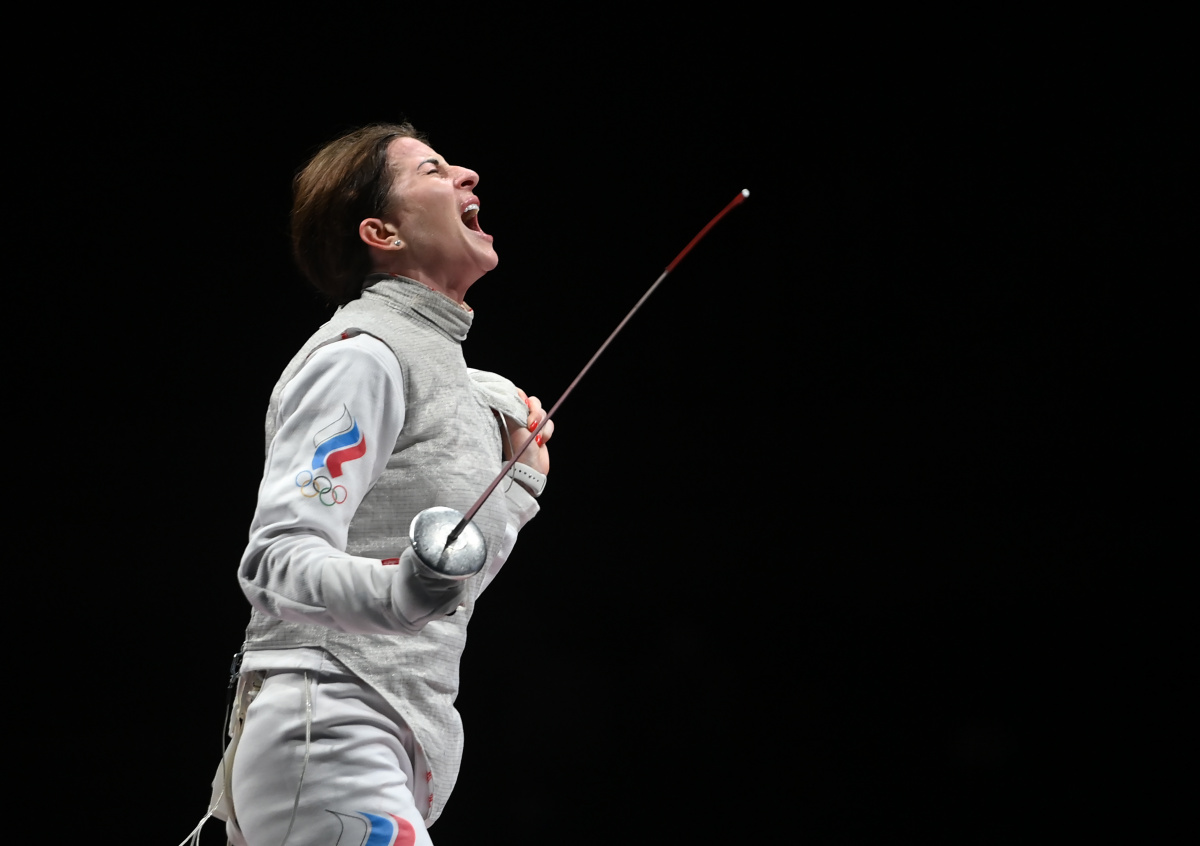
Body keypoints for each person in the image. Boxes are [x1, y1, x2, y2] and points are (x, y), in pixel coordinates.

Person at [211, 122, 553, 846]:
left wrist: (518, 487)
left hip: (391, 736)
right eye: (432, 169)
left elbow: (445, 587)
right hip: (331, 723)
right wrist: (399, 590)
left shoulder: (453, 376)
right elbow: (275, 561)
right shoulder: (362, 355)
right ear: (382, 233)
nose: (467, 174)